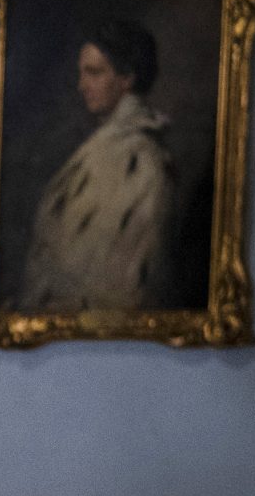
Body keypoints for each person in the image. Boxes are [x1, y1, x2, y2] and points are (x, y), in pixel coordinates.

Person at [15, 18, 178, 314]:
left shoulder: (140, 160)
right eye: (82, 73)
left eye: (94, 73)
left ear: (127, 78)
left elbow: (118, 285)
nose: (81, 86)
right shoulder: (105, 148)